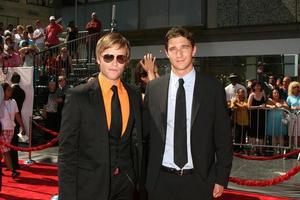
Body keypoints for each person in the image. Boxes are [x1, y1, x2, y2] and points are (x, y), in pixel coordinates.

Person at [143, 27, 232, 200]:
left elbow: (223, 137)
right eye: (173, 49)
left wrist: (221, 178)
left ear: (194, 49)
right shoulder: (154, 88)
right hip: (160, 181)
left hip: (199, 181)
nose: (179, 54)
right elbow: (146, 137)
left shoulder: (212, 88)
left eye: (184, 47)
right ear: (166, 53)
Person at [58, 32, 143, 200]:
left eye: (120, 58)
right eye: (108, 57)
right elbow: (67, 153)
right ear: (98, 58)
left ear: (126, 61)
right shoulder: (78, 96)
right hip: (90, 187)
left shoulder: (134, 94)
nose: (114, 63)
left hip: (126, 185)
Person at [0, 83, 26, 179]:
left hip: (11, 129)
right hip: (1, 130)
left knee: (2, 151)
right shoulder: (0, 102)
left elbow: (17, 115)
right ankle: (13, 171)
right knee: (6, 151)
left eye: (11, 90)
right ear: (3, 92)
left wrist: (23, 126)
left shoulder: (13, 102)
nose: (11, 91)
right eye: (9, 90)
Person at [10, 72, 25, 170]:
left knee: (10, 143)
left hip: (10, 119)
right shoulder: (22, 92)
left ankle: (12, 164)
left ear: (12, 80)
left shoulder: (11, 91)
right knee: (14, 142)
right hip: (18, 117)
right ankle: (14, 163)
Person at [247, 80, 266, 155]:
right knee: (253, 132)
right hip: (254, 116)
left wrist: (264, 106)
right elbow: (249, 106)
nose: (257, 87)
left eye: (259, 85)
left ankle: (260, 150)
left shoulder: (263, 93)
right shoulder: (251, 95)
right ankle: (254, 149)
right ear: (253, 87)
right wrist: (258, 106)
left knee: (261, 132)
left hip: (262, 115)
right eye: (256, 86)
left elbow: (265, 104)